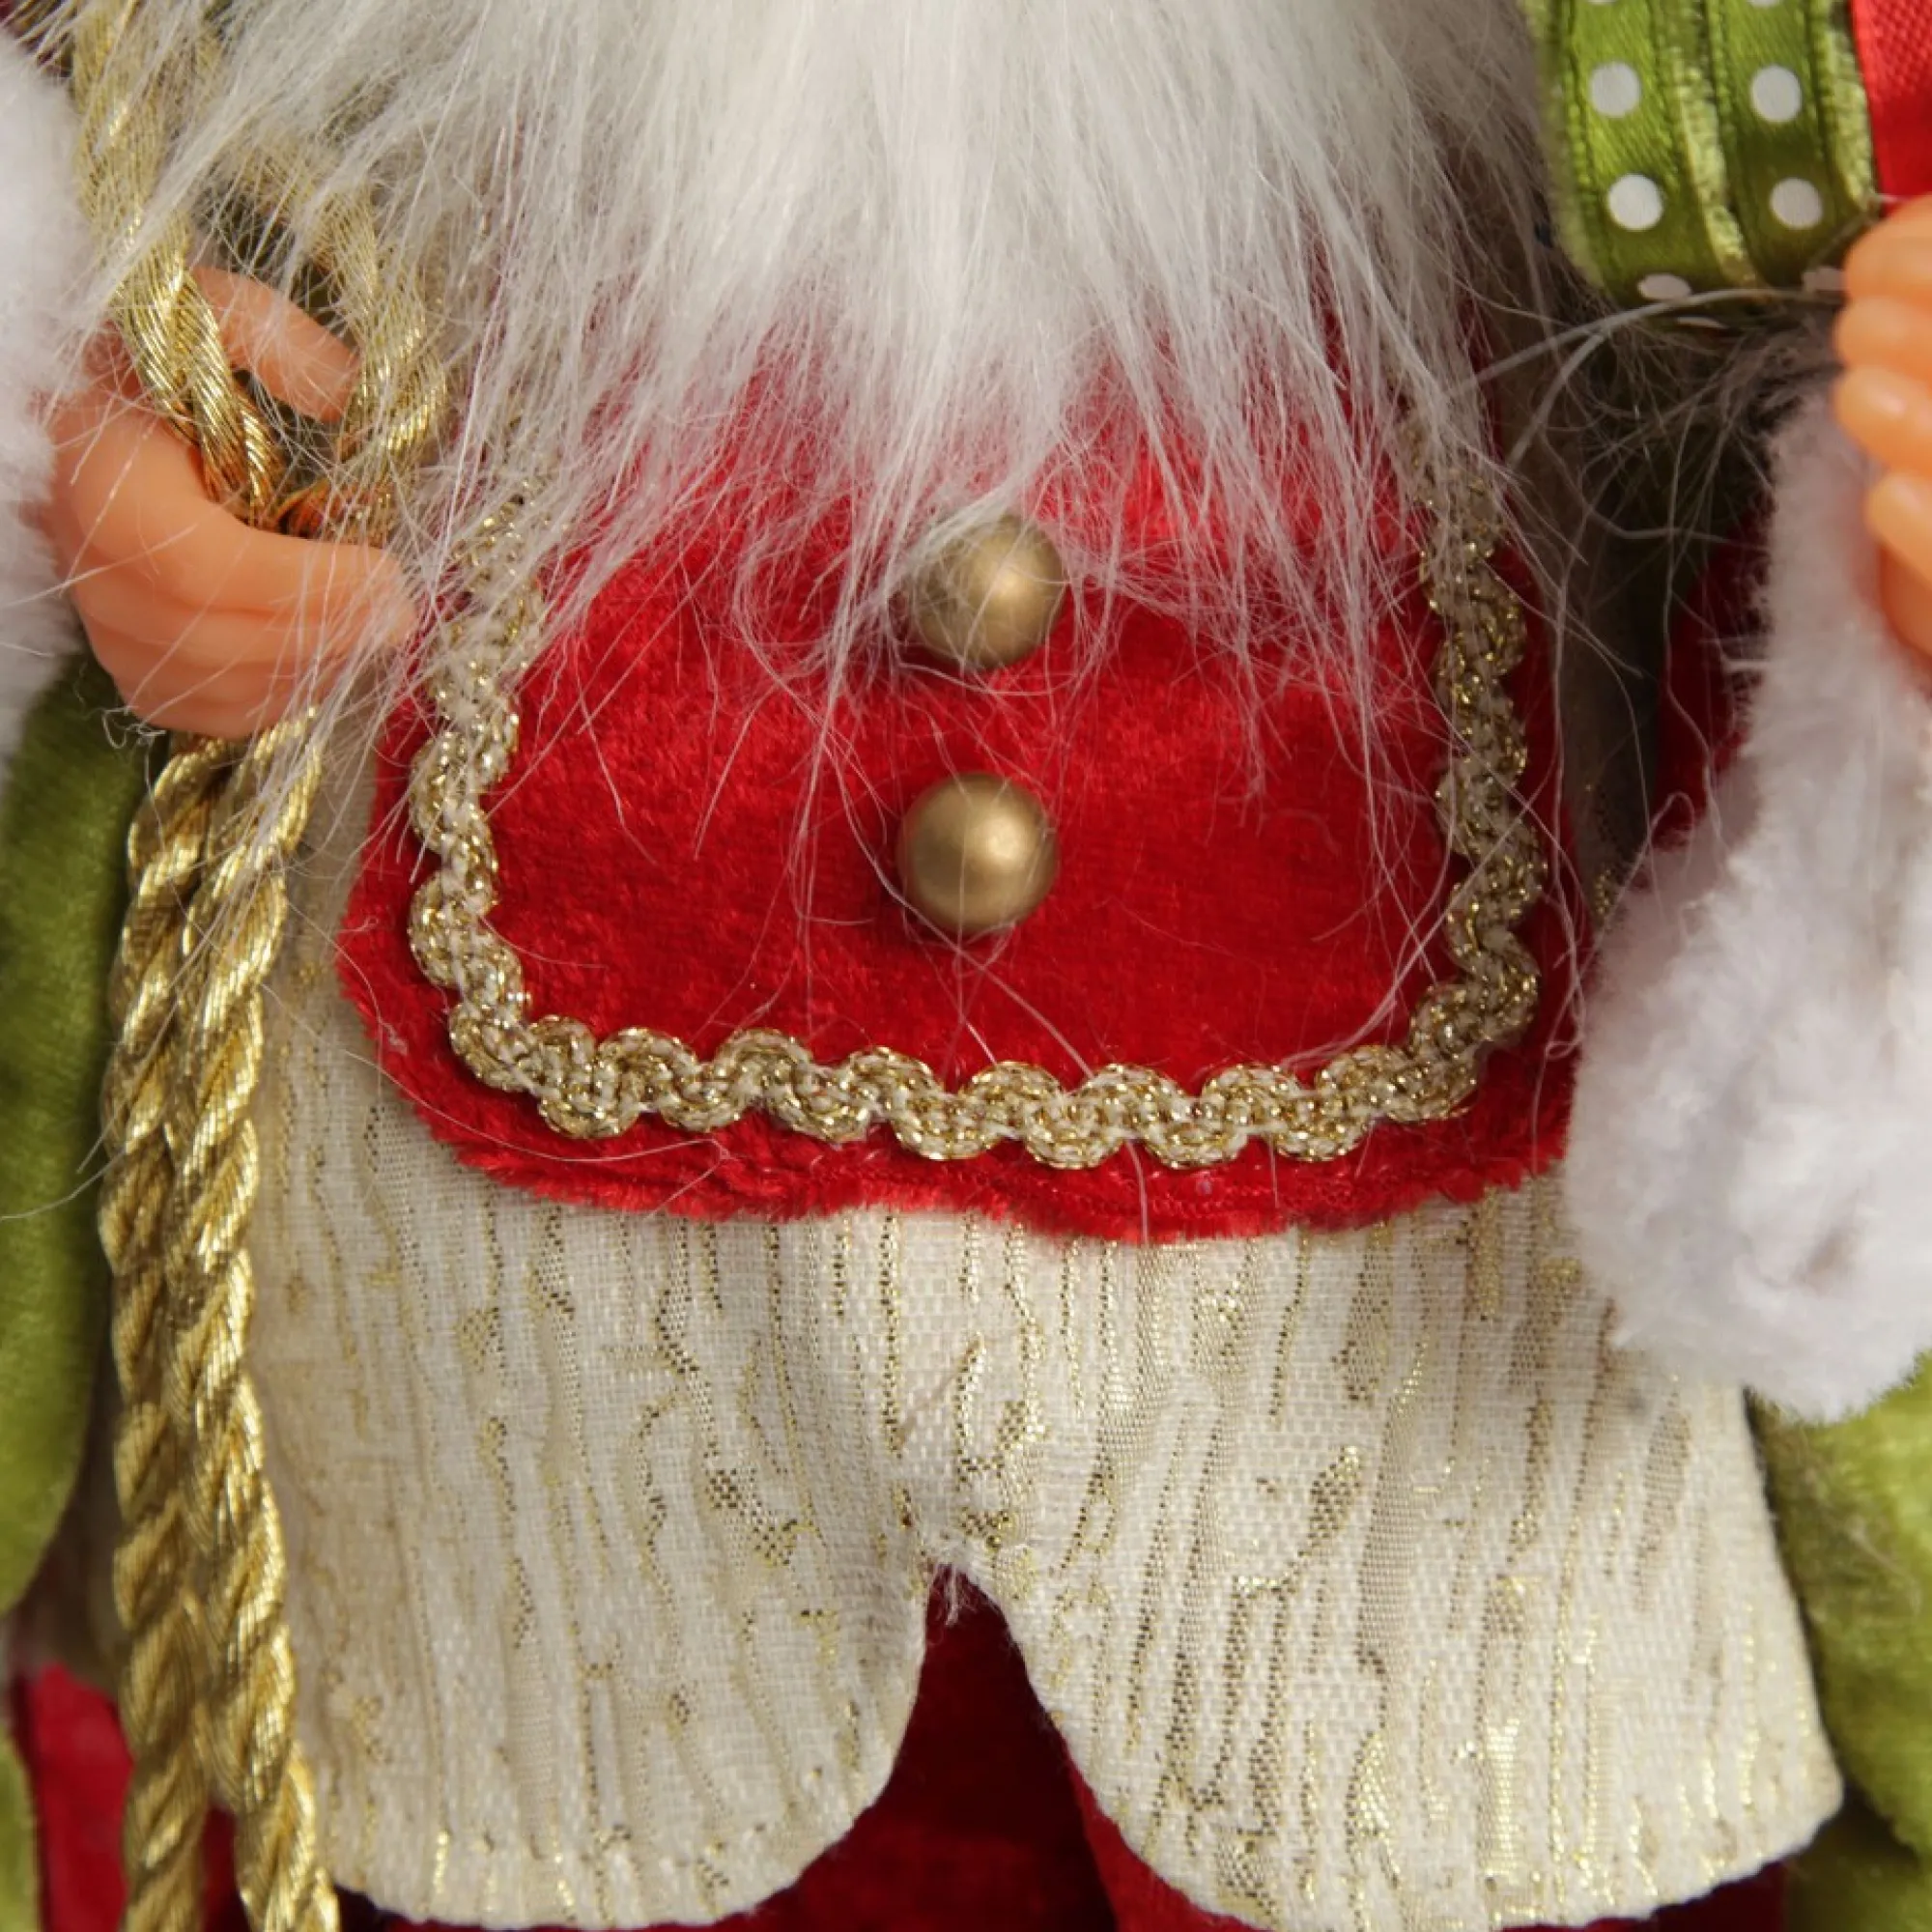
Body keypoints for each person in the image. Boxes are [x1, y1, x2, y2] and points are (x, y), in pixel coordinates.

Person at [5, 1, 1932, 1928]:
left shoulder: (1659, 81)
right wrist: (78, 401)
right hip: (518, 1442)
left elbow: (1774, 363)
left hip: (1409, 1440)